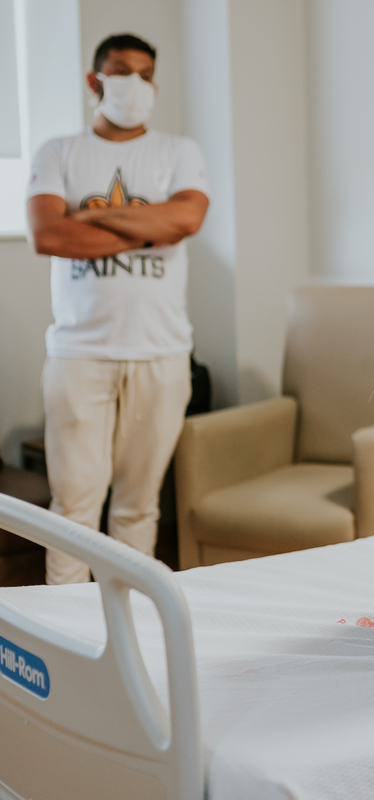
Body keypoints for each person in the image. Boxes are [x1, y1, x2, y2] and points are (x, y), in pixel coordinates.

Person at [26, 34, 209, 584]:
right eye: (122, 71)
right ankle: (68, 638)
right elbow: (46, 234)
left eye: (146, 73)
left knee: (137, 507)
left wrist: (87, 218)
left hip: (162, 353)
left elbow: (186, 221)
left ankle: (130, 641)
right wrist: (148, 225)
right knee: (74, 510)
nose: (136, 84)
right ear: (94, 81)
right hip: (80, 354)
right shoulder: (58, 151)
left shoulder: (180, 152)